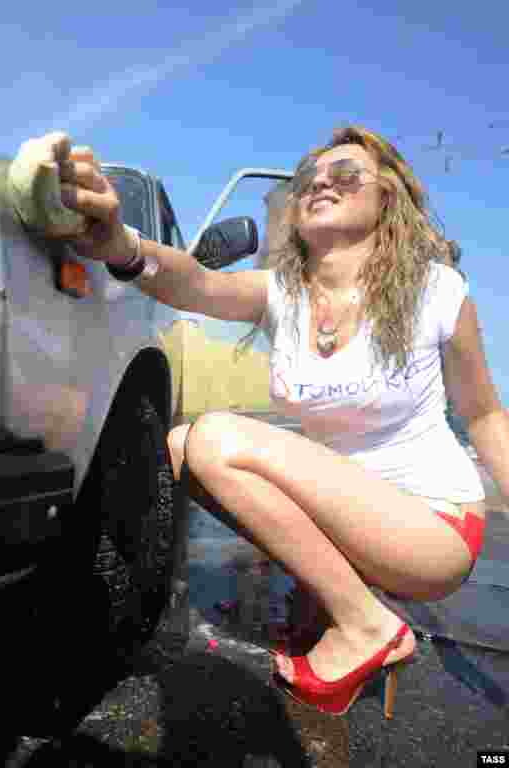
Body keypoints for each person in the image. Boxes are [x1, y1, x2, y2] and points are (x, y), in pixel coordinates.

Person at [53, 125, 509, 718]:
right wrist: (122, 244)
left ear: (388, 198)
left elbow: (482, 414)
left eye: (345, 175)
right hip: (353, 515)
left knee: (217, 439)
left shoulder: (437, 292)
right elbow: (197, 283)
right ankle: (143, 608)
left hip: (430, 526)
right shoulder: (283, 293)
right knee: (180, 446)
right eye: (308, 179)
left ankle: (366, 625)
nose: (321, 183)